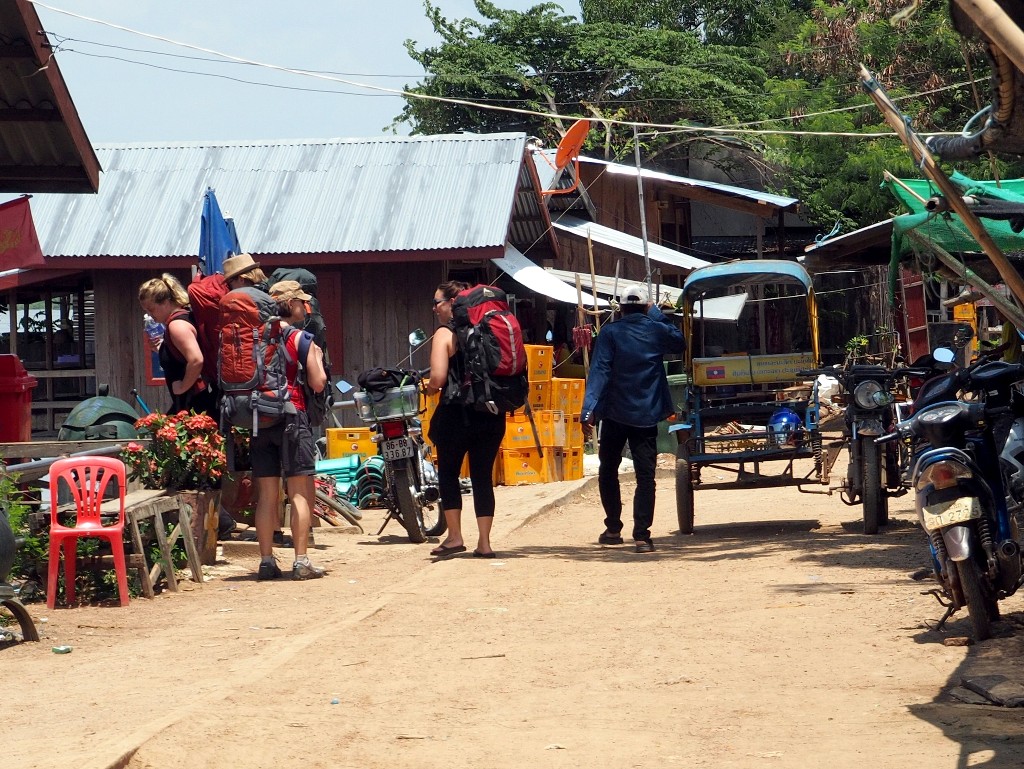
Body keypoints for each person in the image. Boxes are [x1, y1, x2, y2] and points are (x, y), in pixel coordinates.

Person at [580, 283, 686, 553]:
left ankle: (614, 528)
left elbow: (600, 371)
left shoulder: (610, 332)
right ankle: (642, 536)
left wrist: (588, 409)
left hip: (614, 415)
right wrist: (657, 314)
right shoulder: (656, 329)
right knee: (645, 476)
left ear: (621, 307)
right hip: (647, 416)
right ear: (645, 306)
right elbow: (679, 341)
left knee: (608, 470)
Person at [245, 279, 330, 581]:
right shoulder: (300, 338)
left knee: (267, 495)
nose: (304, 308)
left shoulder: (254, 337)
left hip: (258, 419)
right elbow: (318, 382)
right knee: (298, 495)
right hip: (292, 417)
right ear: (291, 304)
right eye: (301, 302)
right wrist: (315, 359)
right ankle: (301, 560)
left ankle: (266, 561)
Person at [425, 280, 506, 559]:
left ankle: (455, 537)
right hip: (492, 413)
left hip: (456, 413)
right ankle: (485, 543)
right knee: (482, 476)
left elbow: (437, 377)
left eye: (437, 302)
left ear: (451, 302)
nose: (435, 308)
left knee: (448, 473)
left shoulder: (445, 334)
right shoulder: (488, 329)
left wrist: (430, 388)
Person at [137, 273, 220, 417]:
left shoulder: (177, 326)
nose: (150, 315)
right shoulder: (184, 316)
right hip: (195, 401)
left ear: (165, 302)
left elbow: (196, 360)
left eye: (151, 309)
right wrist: (162, 349)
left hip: (194, 403)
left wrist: (182, 387)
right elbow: (181, 358)